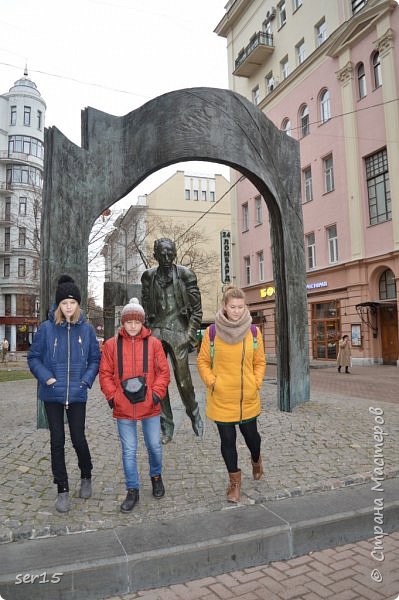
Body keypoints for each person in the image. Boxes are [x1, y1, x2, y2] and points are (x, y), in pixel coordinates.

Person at [28, 275, 101, 513]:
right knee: (57, 441)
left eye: (72, 303)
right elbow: (34, 358)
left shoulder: (87, 330)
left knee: (78, 438)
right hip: (52, 395)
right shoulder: (47, 329)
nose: (68, 307)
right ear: (58, 305)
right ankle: (62, 489)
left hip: (77, 393)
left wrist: (86, 380)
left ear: (78, 304)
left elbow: (94, 359)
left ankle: (86, 475)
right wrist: (46, 377)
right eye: (64, 303)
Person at [99, 298, 170, 513]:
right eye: (128, 321)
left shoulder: (154, 344)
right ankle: (132, 489)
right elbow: (105, 374)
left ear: (142, 323)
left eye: (136, 322)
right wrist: (113, 397)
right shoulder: (112, 345)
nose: (132, 326)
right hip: (123, 407)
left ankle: (156, 476)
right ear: (123, 322)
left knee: (154, 446)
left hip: (150, 406)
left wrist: (156, 395)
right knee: (129, 451)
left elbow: (163, 373)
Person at [197, 285, 266, 503]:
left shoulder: (254, 332)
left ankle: (256, 460)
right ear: (225, 307)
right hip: (222, 397)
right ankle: (234, 482)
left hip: (247, 397)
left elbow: (260, 362)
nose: (237, 310)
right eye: (232, 307)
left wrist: (256, 382)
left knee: (252, 438)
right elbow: (203, 361)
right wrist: (212, 382)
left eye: (240, 306)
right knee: (228, 440)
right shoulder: (212, 332)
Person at [141, 238, 203, 444]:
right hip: (156, 332)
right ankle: (166, 425)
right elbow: (146, 307)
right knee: (159, 383)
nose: (167, 258)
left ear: (175, 254)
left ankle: (194, 412)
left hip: (178, 331)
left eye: (170, 253)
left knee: (184, 381)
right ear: (155, 255)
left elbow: (196, 311)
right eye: (162, 254)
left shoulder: (186, 275)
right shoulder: (148, 277)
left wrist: (190, 335)